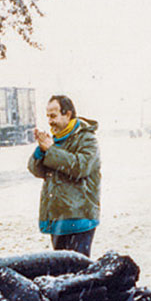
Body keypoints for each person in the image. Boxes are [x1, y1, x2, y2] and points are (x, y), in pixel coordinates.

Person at [27, 95, 101, 257]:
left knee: (78, 273)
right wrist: (41, 150)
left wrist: (51, 150)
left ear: (67, 114)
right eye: (48, 117)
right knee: (62, 272)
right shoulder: (55, 140)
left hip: (79, 219)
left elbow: (81, 167)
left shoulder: (87, 139)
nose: (50, 121)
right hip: (58, 221)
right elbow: (36, 171)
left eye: (53, 116)